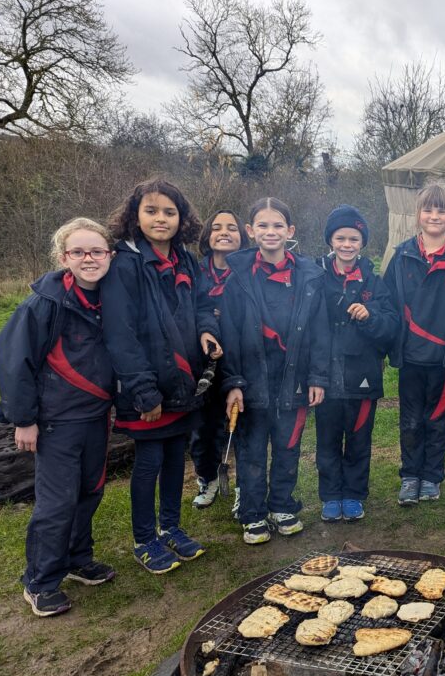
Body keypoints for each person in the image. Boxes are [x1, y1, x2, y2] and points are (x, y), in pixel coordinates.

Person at [0, 218, 117, 616]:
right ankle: (41, 580)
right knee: (56, 503)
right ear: (64, 257)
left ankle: (78, 559)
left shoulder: (111, 299)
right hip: (55, 422)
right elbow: (14, 362)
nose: (89, 259)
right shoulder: (44, 303)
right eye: (78, 252)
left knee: (89, 492)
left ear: (110, 256)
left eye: (97, 251)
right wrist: (23, 419)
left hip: (96, 417)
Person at [102, 179, 219, 574]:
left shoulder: (186, 259)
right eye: (151, 211)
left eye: (169, 212)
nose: (161, 219)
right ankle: (144, 538)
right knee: (149, 461)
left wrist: (207, 330)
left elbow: (203, 303)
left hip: (183, 383)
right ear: (135, 216)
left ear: (181, 218)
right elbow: (120, 334)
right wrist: (144, 391)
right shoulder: (125, 263)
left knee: (174, 458)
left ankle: (171, 527)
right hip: (148, 387)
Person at [220, 197, 329, 544]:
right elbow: (230, 333)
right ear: (250, 231)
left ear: (290, 231)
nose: (271, 232)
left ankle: (282, 504)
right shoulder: (237, 277)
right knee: (251, 451)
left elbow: (319, 330)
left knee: (288, 447)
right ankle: (252, 514)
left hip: (293, 381)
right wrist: (233, 382)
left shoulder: (310, 275)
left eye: (278, 225)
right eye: (263, 226)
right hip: (252, 382)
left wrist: (317, 377)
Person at [384, 183, 445, 506]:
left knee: (438, 420)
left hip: (444, 358)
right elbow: (388, 304)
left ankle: (432, 476)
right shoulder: (403, 255)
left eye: (441, 210)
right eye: (428, 209)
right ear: (417, 215)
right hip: (410, 357)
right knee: (410, 419)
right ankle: (410, 475)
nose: (435, 216)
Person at [315, 205, 398, 522]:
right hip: (325, 375)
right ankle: (330, 496)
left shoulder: (374, 284)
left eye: (354, 238)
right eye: (340, 238)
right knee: (327, 441)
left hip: (363, 377)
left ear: (362, 242)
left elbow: (391, 327)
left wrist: (371, 316)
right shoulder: (317, 277)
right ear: (330, 240)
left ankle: (353, 495)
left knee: (359, 440)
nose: (347, 244)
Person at [190, 209, 245, 512]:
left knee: (238, 427)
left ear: (243, 236)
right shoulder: (195, 272)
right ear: (207, 236)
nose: (224, 232)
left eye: (232, 228)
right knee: (202, 427)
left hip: (240, 358)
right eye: (217, 227)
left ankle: (242, 486)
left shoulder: (249, 273)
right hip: (203, 361)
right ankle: (207, 478)